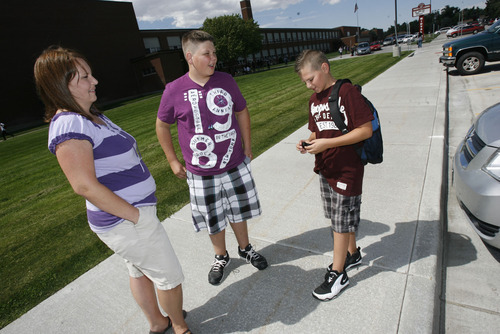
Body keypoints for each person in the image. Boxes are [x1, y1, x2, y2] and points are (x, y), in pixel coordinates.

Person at [34, 46, 192, 334]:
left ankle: (158, 323)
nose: (94, 81)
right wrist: (137, 217)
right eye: (84, 77)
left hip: (129, 218)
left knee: (138, 270)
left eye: (91, 74)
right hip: (126, 220)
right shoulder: (69, 124)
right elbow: (83, 185)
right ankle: (180, 328)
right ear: (61, 84)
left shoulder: (90, 116)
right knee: (169, 277)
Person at [156, 30, 268, 286]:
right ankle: (221, 256)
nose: (213, 58)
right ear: (190, 57)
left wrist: (247, 145)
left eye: (214, 52)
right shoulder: (174, 90)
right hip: (200, 171)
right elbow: (162, 125)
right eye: (207, 53)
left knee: (239, 209)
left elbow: (241, 111)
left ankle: (245, 248)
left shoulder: (226, 80)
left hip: (234, 163)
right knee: (212, 215)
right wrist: (172, 161)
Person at [294, 49, 373, 301]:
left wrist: (328, 144)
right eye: (304, 81)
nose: (308, 85)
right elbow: (318, 132)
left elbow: (365, 130)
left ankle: (338, 273)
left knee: (340, 223)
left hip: (347, 169)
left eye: (311, 79)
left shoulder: (347, 93)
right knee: (338, 219)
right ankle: (353, 254)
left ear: (325, 68)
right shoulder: (314, 101)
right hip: (326, 167)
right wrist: (307, 142)